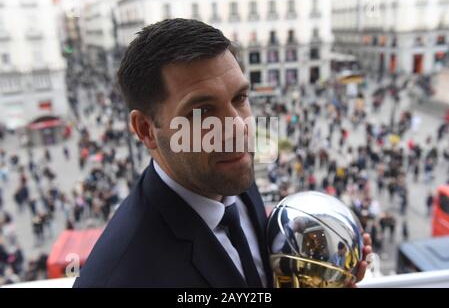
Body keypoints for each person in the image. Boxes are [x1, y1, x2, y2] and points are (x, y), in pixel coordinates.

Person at [73, 19, 371, 288]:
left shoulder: (229, 178)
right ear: (146, 129)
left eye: (240, 98)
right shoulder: (118, 278)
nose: (238, 128)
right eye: (202, 111)